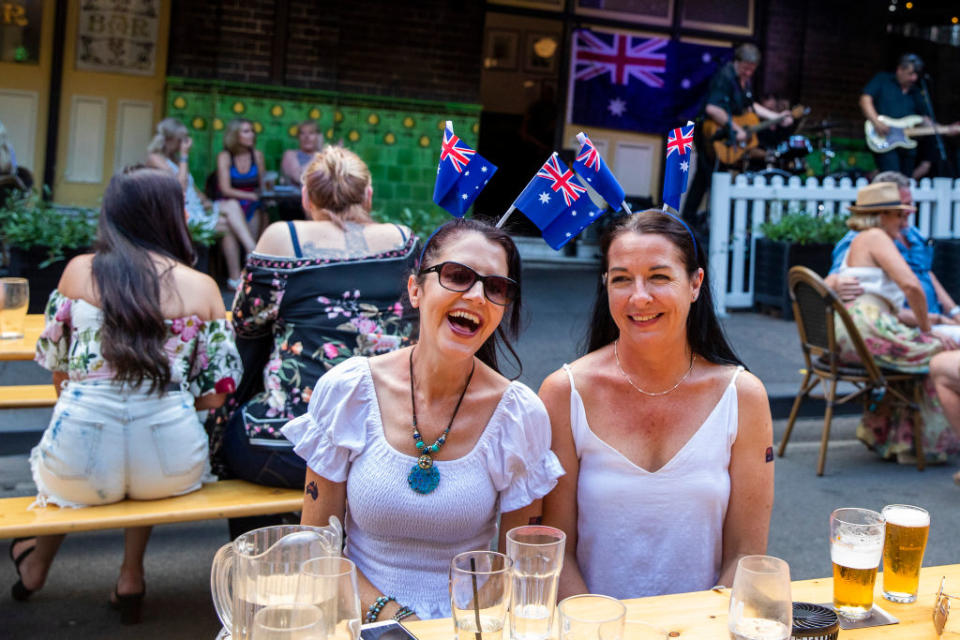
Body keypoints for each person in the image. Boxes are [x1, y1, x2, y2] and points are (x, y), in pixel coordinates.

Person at [281, 218, 564, 620]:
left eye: (496, 287)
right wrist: (396, 619)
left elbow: (514, 570)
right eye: (458, 276)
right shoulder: (349, 391)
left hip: (468, 624)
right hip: (358, 617)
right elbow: (317, 549)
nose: (478, 295)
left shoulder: (519, 416)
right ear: (416, 289)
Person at [8, 167, 242, 623]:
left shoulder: (80, 273)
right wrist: (169, 402)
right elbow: (217, 395)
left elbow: (57, 375)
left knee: (68, 446)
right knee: (142, 451)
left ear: (114, 214)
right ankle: (130, 575)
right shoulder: (203, 288)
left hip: (78, 464)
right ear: (174, 216)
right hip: (171, 466)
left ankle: (35, 566)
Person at [540, 210, 773, 600]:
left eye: (659, 276)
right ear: (605, 286)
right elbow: (554, 551)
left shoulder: (743, 396)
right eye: (621, 279)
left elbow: (746, 556)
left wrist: (698, 628)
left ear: (695, 283)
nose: (639, 296)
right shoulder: (564, 392)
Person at [211, 146, 418, 501]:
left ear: (306, 197)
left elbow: (246, 323)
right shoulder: (404, 240)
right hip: (385, 445)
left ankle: (265, 548)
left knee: (235, 425)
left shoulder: (282, 237)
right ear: (368, 196)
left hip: (285, 446)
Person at [830, 181, 960, 463]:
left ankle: (898, 440)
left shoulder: (861, 239)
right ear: (882, 215)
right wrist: (928, 332)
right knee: (943, 352)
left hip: (854, 329)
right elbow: (912, 286)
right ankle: (918, 441)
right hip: (865, 330)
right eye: (899, 215)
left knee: (931, 353)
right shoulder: (876, 236)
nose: (904, 222)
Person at [826, 171, 960, 340]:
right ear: (884, 213)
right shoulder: (866, 238)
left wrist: (954, 312)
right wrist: (836, 283)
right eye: (901, 210)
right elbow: (832, 280)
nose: (908, 212)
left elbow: (925, 274)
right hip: (901, 323)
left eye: (910, 204)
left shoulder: (912, 234)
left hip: (931, 318)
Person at [682, 44, 794, 227]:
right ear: (738, 61)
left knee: (703, 177)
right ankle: (708, 222)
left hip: (724, 134)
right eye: (746, 68)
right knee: (711, 177)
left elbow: (750, 106)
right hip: (711, 134)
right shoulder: (724, 77)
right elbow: (712, 108)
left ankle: (690, 219)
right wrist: (735, 129)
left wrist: (776, 117)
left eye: (752, 69)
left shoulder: (744, 81)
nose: (749, 72)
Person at [145, 118, 257, 287]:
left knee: (231, 205)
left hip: (196, 208)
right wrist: (184, 156)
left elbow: (191, 187)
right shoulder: (155, 159)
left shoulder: (176, 160)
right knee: (227, 226)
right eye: (182, 139)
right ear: (170, 139)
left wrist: (205, 200)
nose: (186, 143)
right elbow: (179, 186)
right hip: (180, 214)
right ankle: (242, 267)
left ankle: (248, 256)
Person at [860, 53, 932, 176]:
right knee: (892, 177)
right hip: (885, 139)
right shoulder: (883, 80)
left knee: (905, 180)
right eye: (910, 74)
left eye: (916, 75)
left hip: (907, 144)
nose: (914, 78)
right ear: (900, 70)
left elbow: (925, 118)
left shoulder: (916, 92)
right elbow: (865, 99)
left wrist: (946, 128)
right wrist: (876, 122)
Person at [215, 118, 267, 284]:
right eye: (246, 131)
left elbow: (262, 186)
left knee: (256, 212)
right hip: (231, 203)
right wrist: (250, 196)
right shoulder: (224, 156)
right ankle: (251, 253)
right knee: (230, 214)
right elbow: (225, 189)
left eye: (252, 130)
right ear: (235, 135)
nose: (251, 134)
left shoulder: (257, 156)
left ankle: (240, 279)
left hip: (253, 205)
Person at [280, 120, 321, 186]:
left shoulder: (324, 158)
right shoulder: (289, 154)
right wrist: (318, 155)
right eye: (302, 133)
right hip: (294, 196)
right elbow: (299, 178)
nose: (307, 137)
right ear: (298, 137)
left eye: (311, 133)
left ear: (318, 136)